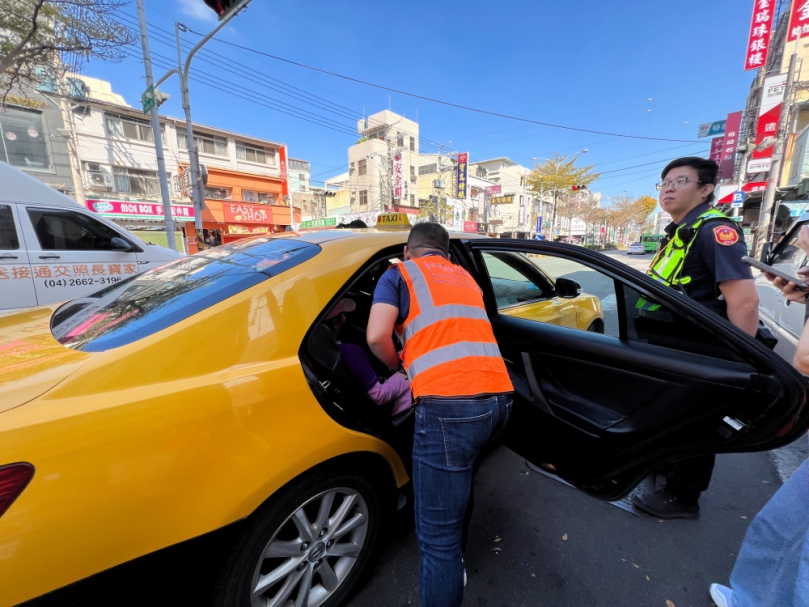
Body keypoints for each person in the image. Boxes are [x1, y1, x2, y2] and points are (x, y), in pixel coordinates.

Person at [366, 222, 513, 607]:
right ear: (446, 255)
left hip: (449, 407)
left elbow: (375, 336)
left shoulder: (398, 273)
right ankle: (456, 562)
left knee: (436, 543)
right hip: (499, 400)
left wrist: (401, 367)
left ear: (409, 251)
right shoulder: (465, 277)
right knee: (461, 487)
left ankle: (449, 566)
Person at [632, 156, 760, 520]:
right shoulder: (679, 231)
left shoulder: (714, 231)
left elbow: (745, 302)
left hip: (701, 348)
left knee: (694, 421)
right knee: (673, 416)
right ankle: (667, 473)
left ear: (705, 189)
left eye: (680, 180)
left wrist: (740, 361)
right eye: (665, 182)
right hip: (674, 344)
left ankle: (684, 497)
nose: (668, 188)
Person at [708, 226, 809, 607]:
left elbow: (804, 359)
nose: (802, 270)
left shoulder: (714, 231)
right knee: (783, 530)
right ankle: (753, 598)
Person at [324, 298, 412, 415]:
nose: (345, 319)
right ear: (335, 324)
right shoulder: (350, 353)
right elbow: (378, 396)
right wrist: (402, 372)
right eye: (343, 315)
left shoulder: (323, 352)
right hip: (389, 408)